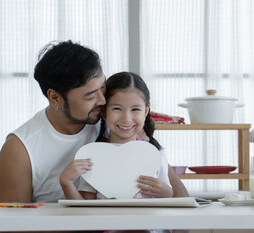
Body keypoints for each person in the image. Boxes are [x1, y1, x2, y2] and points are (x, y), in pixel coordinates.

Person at [0, 41, 188, 203]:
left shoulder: (117, 124)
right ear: (55, 97)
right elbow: (12, 224)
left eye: (102, 88)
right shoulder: (20, 148)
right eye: (90, 96)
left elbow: (180, 201)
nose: (103, 101)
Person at [60, 72, 173, 199]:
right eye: (117, 109)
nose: (126, 119)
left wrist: (167, 193)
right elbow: (85, 207)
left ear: (146, 111)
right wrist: (66, 182)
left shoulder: (156, 153)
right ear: (103, 112)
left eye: (135, 109)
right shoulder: (94, 156)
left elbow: (169, 200)